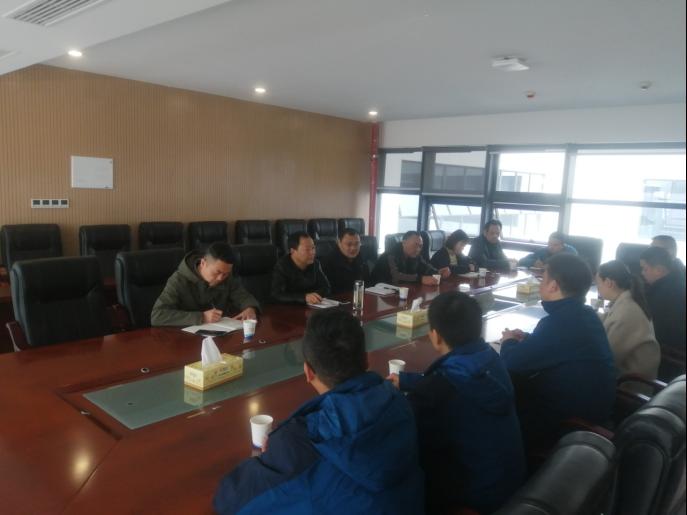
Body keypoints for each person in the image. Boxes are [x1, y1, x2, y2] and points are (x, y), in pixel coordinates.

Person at [213, 310, 425, 515]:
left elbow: (228, 500)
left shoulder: (303, 441)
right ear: (367, 359)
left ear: (308, 372)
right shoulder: (398, 401)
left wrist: (272, 456)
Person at [388, 292, 525, 514]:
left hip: (476, 498)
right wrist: (407, 381)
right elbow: (459, 377)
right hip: (510, 484)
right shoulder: (491, 358)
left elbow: (402, 440)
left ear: (435, 336)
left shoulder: (436, 391)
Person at [499, 253, 615, 449]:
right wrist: (529, 339)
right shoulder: (586, 314)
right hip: (595, 411)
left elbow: (511, 363)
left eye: (542, 279)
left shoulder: (558, 323)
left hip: (568, 423)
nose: (540, 284)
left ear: (553, 286)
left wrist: (508, 341)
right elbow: (560, 346)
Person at [151, 242, 259, 326]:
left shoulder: (226, 276)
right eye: (217, 272)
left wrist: (250, 308)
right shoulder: (178, 280)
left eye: (226, 274)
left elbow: (242, 296)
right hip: (186, 340)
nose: (220, 278)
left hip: (220, 336)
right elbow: (158, 316)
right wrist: (201, 317)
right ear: (203, 263)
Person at [596, 260, 660, 380]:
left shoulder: (626, 312)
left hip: (630, 384)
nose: (598, 288)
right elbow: (607, 317)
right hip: (626, 374)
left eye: (598, 284)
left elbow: (607, 358)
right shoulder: (626, 300)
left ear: (609, 283)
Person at [640, 246, 686, 351]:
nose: (642, 273)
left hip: (668, 350)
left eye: (645, 269)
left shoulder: (666, 293)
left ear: (659, 270)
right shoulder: (676, 281)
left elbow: (654, 329)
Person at [271, 231, 331, 304]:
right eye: (307, 249)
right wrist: (304, 297)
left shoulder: (315, 263)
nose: (312, 252)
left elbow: (326, 287)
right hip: (290, 308)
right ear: (292, 251)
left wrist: (314, 296)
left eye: (313, 248)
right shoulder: (282, 266)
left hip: (313, 305)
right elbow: (277, 295)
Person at [372, 231, 448, 285]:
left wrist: (438, 272)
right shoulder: (390, 254)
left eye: (420, 246)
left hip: (401, 291)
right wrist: (421, 279)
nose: (418, 249)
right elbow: (397, 276)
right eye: (415, 245)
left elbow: (426, 267)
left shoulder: (415, 255)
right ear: (404, 243)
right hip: (379, 292)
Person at [321, 228, 370, 294]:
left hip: (358, 297)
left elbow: (367, 284)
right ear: (339, 243)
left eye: (357, 244)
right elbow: (328, 290)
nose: (353, 248)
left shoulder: (362, 258)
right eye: (349, 244)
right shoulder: (328, 262)